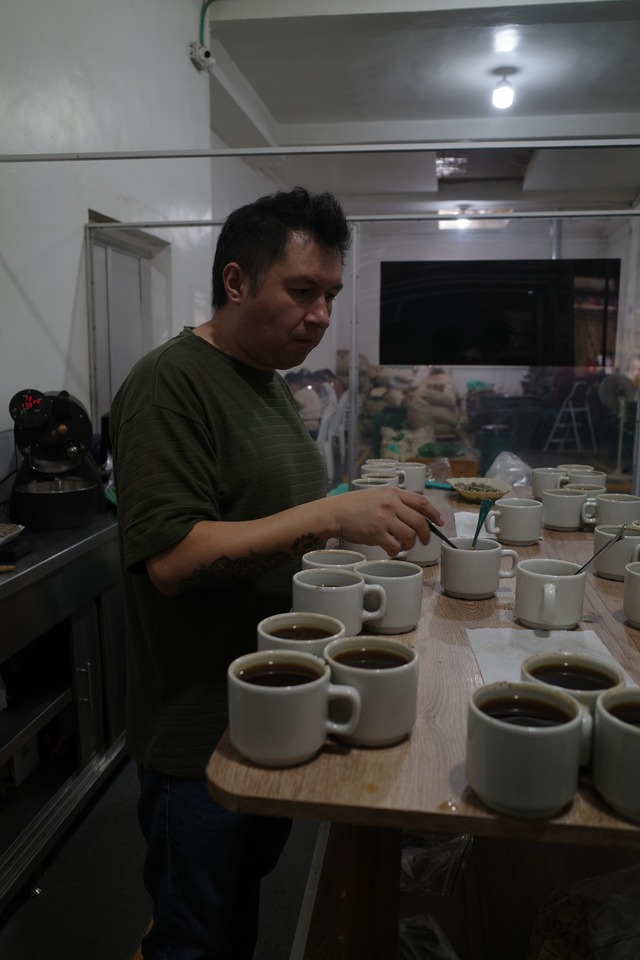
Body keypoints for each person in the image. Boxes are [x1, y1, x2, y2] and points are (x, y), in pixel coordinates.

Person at [109, 186, 442, 960]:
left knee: (238, 917)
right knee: (192, 934)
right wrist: (331, 516)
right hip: (198, 734)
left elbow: (276, 516)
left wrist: (351, 517)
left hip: (274, 706)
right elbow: (173, 561)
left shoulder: (267, 383)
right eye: (302, 290)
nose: (321, 314)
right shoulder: (169, 384)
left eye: (330, 295)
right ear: (236, 281)